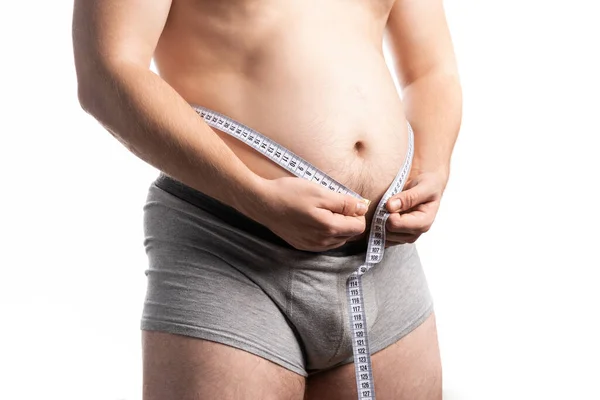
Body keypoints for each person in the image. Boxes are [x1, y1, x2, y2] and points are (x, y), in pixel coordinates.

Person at [72, 0, 461, 398]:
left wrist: (434, 166)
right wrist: (253, 196)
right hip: (228, 250)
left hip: (383, 263)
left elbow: (430, 71)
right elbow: (107, 70)